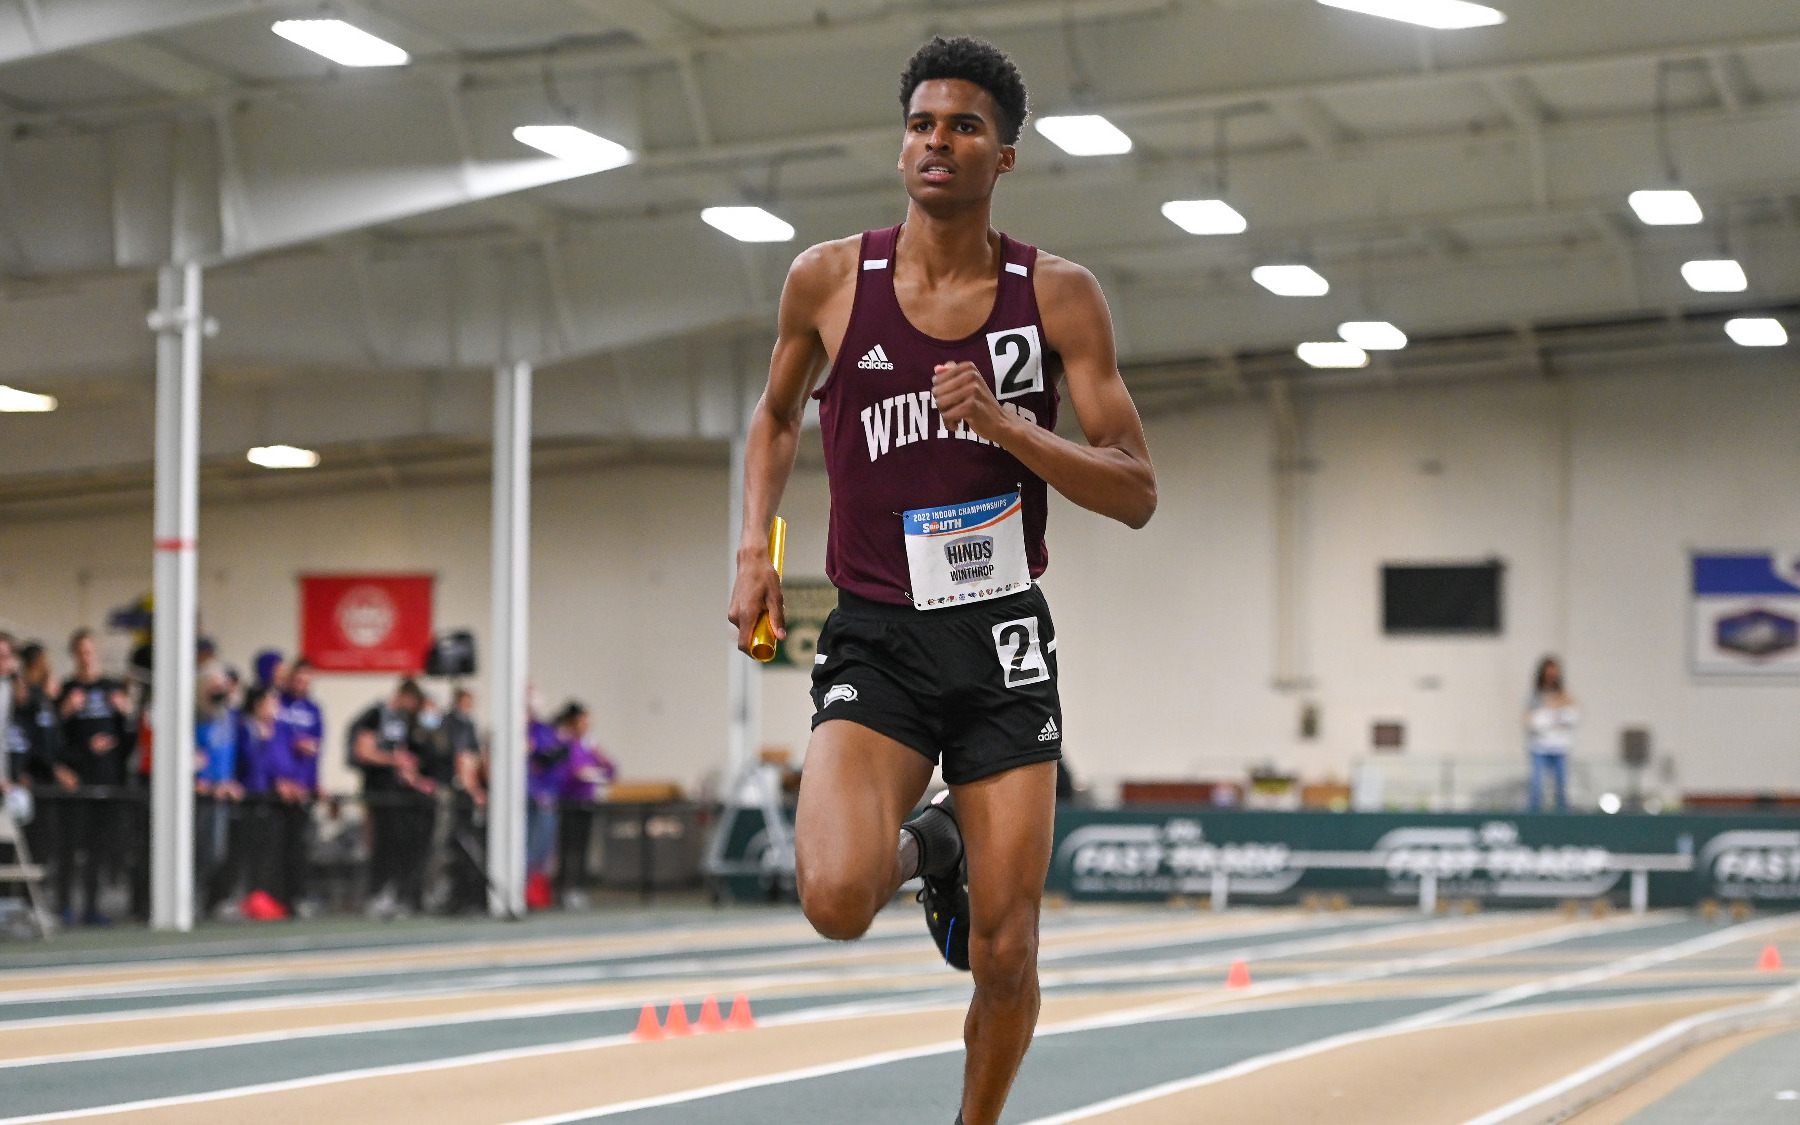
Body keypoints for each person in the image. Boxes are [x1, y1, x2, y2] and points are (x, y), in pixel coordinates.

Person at [725, 37, 1155, 1125]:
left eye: (963, 127)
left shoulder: (1056, 296)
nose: (936, 142)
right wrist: (753, 552)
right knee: (833, 898)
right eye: (921, 123)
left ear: (1003, 156)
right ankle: (935, 839)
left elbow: (1136, 487)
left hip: (1001, 637)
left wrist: (1010, 428)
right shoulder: (830, 278)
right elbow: (775, 417)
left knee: (1005, 951)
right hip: (876, 631)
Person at [55, 629, 135, 925]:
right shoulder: (68, 690)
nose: (87, 657)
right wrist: (66, 713)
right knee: (70, 847)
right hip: (77, 783)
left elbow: (128, 741)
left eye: (91, 651)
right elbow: (57, 741)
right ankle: (63, 905)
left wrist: (126, 716)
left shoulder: (111, 688)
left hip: (107, 782)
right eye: (81, 652)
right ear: (75, 655)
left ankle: (92, 907)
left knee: (99, 849)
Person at [348, 679, 433, 916]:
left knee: (401, 842)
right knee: (382, 844)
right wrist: (394, 760)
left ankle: (396, 893)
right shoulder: (375, 715)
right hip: (378, 791)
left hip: (398, 794)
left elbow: (401, 757)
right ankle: (375, 894)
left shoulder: (402, 720)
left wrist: (414, 777)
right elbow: (363, 750)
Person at [553, 701, 617, 902]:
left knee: (583, 849)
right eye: (583, 720)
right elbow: (567, 772)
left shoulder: (589, 746)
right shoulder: (564, 744)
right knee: (567, 848)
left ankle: (579, 887)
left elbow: (611, 772)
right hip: (569, 803)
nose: (587, 724)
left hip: (587, 802)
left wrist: (603, 759)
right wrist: (578, 773)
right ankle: (563, 889)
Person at [194, 667, 245, 914]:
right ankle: (189, 898)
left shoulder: (227, 719)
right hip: (200, 796)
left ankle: (210, 900)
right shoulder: (194, 718)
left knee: (217, 852)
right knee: (199, 850)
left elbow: (228, 756)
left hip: (222, 795)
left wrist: (229, 782)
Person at [1525, 656, 1578, 813]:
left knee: (1561, 787)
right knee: (1537, 786)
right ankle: (1533, 817)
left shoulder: (1565, 695)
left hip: (1559, 748)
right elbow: (1530, 720)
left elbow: (1573, 716)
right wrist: (1549, 715)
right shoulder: (1534, 696)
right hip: (1540, 748)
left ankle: (1562, 818)